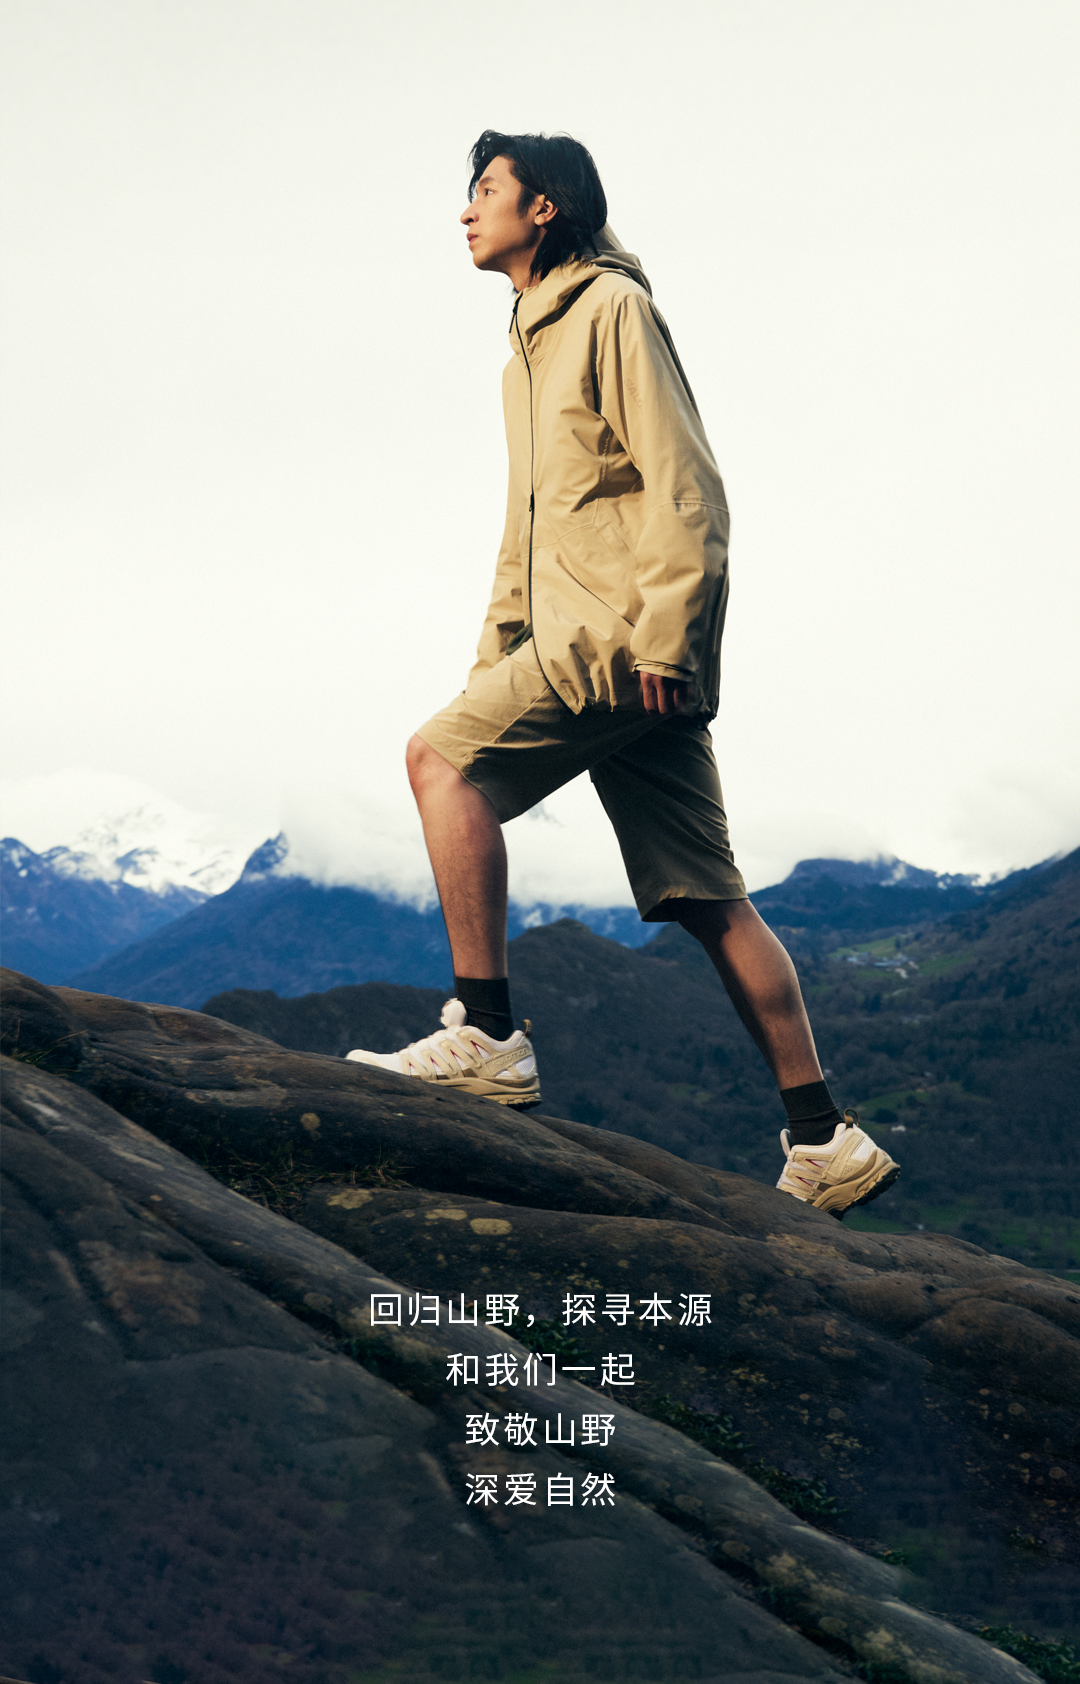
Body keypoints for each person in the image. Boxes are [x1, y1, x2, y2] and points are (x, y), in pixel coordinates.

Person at [347, 130, 899, 1219]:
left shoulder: (610, 309)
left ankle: (487, 1034)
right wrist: (496, 654)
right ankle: (824, 1137)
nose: (466, 211)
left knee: (439, 763)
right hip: (605, 647)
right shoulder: (526, 349)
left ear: (544, 207)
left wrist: (668, 638)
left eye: (486, 191)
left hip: (615, 644)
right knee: (708, 896)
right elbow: (530, 527)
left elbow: (686, 482)